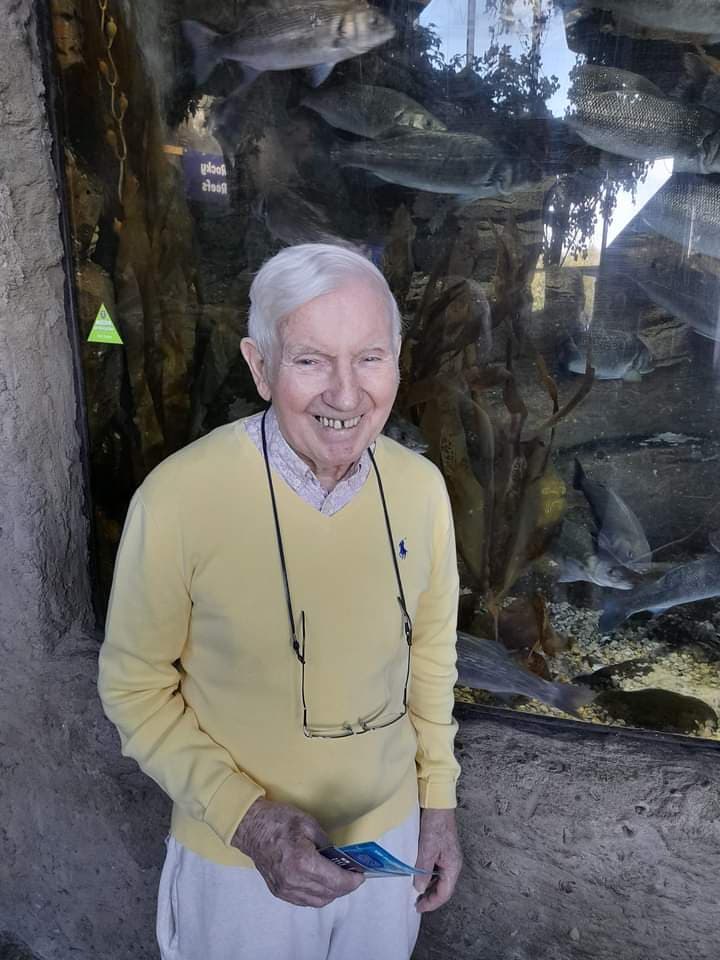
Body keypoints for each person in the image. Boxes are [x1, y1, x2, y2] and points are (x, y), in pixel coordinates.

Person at [98, 243, 462, 960]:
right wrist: (249, 821)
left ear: (397, 361)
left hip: (388, 851)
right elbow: (133, 689)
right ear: (259, 367)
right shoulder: (177, 499)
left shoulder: (422, 489)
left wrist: (438, 805)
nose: (346, 395)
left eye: (369, 357)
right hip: (236, 862)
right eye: (310, 360)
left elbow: (431, 656)